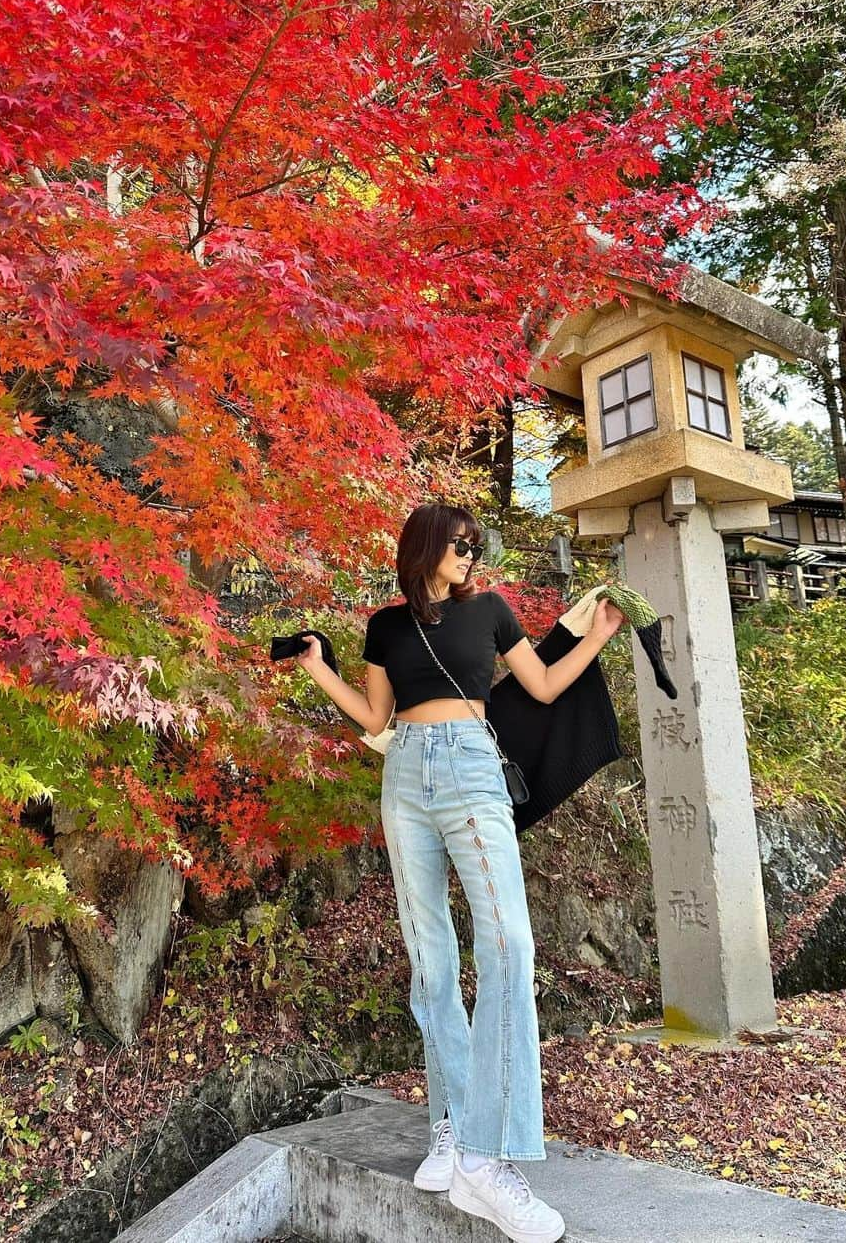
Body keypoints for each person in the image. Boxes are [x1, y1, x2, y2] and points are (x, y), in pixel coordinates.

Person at [296, 502, 623, 1243]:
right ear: (424, 548)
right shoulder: (385, 626)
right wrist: (321, 669)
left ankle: (489, 1153)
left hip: (474, 766)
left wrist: (596, 639)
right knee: (431, 962)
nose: (470, 555)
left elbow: (540, 687)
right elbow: (376, 720)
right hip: (405, 778)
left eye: (476, 546)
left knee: (509, 944)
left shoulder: (494, 613)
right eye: (458, 544)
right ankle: (450, 1125)